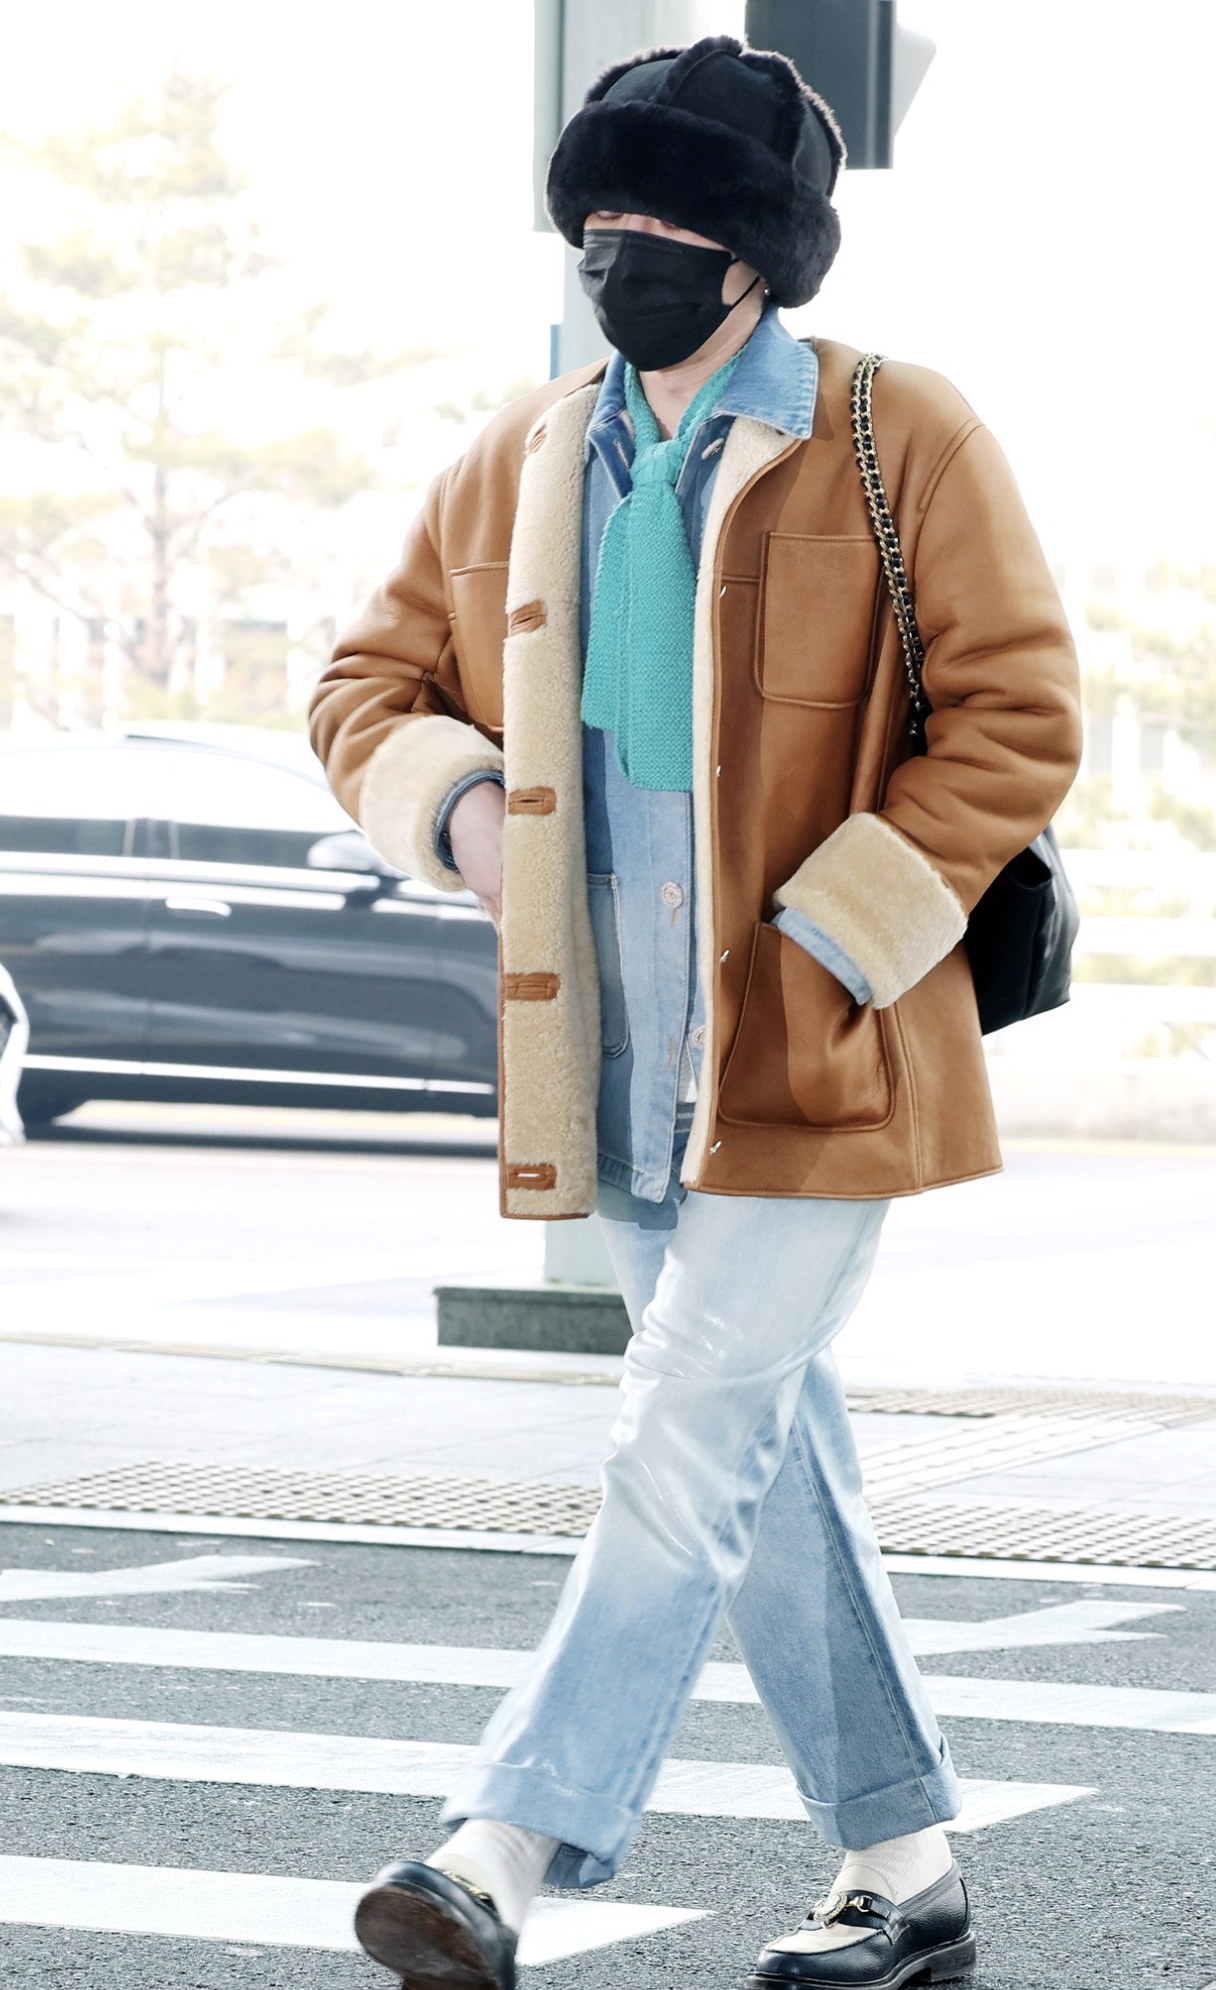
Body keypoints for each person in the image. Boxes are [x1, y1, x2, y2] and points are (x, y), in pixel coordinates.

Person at [309, 33, 1081, 1990]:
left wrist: (836, 934)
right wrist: (460, 808)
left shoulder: (895, 432)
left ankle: (499, 1848)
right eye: (599, 211)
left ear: (756, 252)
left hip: (819, 1046)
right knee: (760, 1464)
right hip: (607, 1055)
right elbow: (365, 686)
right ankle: (906, 1869)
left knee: (677, 1431)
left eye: (662, 217)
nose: (619, 247)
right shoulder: (522, 452)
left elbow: (1015, 711)